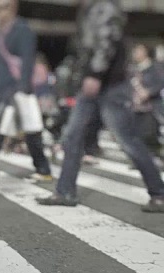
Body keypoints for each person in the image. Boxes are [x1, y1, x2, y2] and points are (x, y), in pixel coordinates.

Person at [36, 0, 164, 213]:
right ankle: (65, 191)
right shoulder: (91, 8)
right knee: (72, 136)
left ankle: (159, 193)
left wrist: (95, 74)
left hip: (110, 84)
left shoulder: (104, 5)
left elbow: (107, 40)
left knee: (127, 139)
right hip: (94, 85)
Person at [0, 0, 52, 185]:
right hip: (3, 90)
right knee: (30, 131)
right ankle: (43, 169)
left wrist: (22, 89)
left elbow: (28, 60)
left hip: (16, 90)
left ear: (12, 6)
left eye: (1, 8)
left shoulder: (22, 30)